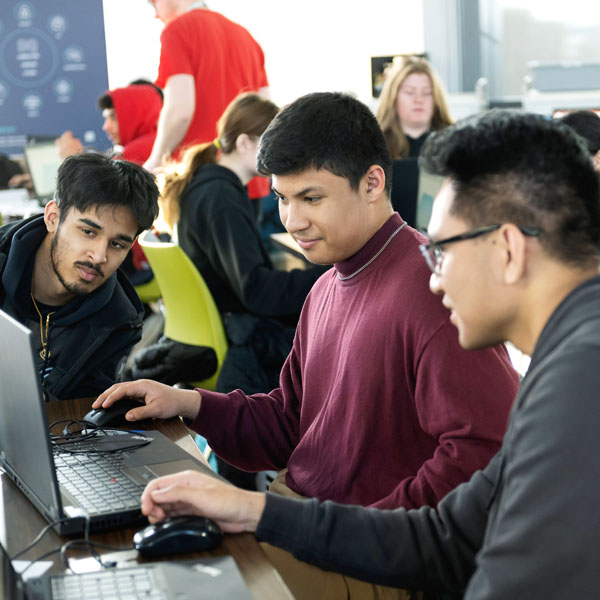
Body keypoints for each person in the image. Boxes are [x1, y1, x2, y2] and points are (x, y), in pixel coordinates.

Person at [126, 110, 600, 599]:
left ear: (508, 249)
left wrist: (305, 522)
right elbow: (446, 534)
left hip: (360, 547)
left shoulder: (578, 379)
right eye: (284, 199)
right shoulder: (563, 364)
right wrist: (245, 498)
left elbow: (487, 543)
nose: (435, 275)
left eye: (443, 251)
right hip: (337, 529)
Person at [0, 153, 159, 401]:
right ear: (53, 218)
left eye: (117, 244)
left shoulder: (118, 322)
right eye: (88, 231)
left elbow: (81, 417)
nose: (98, 256)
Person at [144, 0, 269, 172]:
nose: (156, 14)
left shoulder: (177, 31)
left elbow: (180, 112)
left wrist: (155, 161)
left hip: (199, 175)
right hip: (249, 176)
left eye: (153, 4)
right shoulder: (247, 38)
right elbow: (265, 112)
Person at [56, 82, 163, 166]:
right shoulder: (158, 142)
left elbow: (100, 190)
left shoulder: (135, 153)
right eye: (106, 118)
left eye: (114, 117)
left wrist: (74, 159)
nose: (106, 126)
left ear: (136, 114)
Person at [376, 56, 453, 159]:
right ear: (393, 97)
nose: (418, 100)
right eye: (410, 92)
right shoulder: (373, 146)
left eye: (427, 93)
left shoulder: (456, 143)